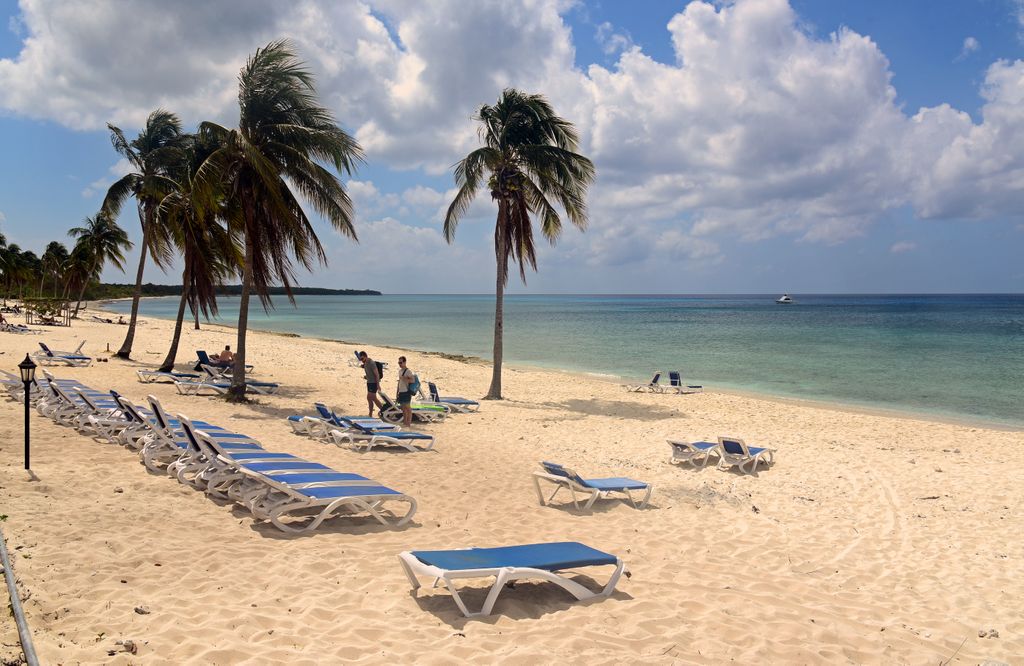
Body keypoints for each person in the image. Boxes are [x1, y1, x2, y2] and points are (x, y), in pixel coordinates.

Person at [360, 351, 383, 417]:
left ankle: (382, 410)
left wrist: (378, 385)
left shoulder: (371, 363)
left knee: (373, 398)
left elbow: (377, 374)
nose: (361, 361)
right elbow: (369, 372)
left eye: (362, 359)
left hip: (374, 383)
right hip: (369, 382)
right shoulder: (365, 363)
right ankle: (370, 414)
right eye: (360, 359)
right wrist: (366, 376)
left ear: (366, 356)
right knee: (369, 398)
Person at [396, 355, 415, 427]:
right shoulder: (400, 371)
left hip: (406, 392)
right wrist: (397, 392)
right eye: (399, 363)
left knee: (408, 409)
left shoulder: (408, 371)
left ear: (405, 362)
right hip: (401, 391)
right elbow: (399, 382)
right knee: (403, 408)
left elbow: (412, 380)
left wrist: (405, 378)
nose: (400, 364)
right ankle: (405, 422)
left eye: (401, 362)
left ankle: (408, 424)